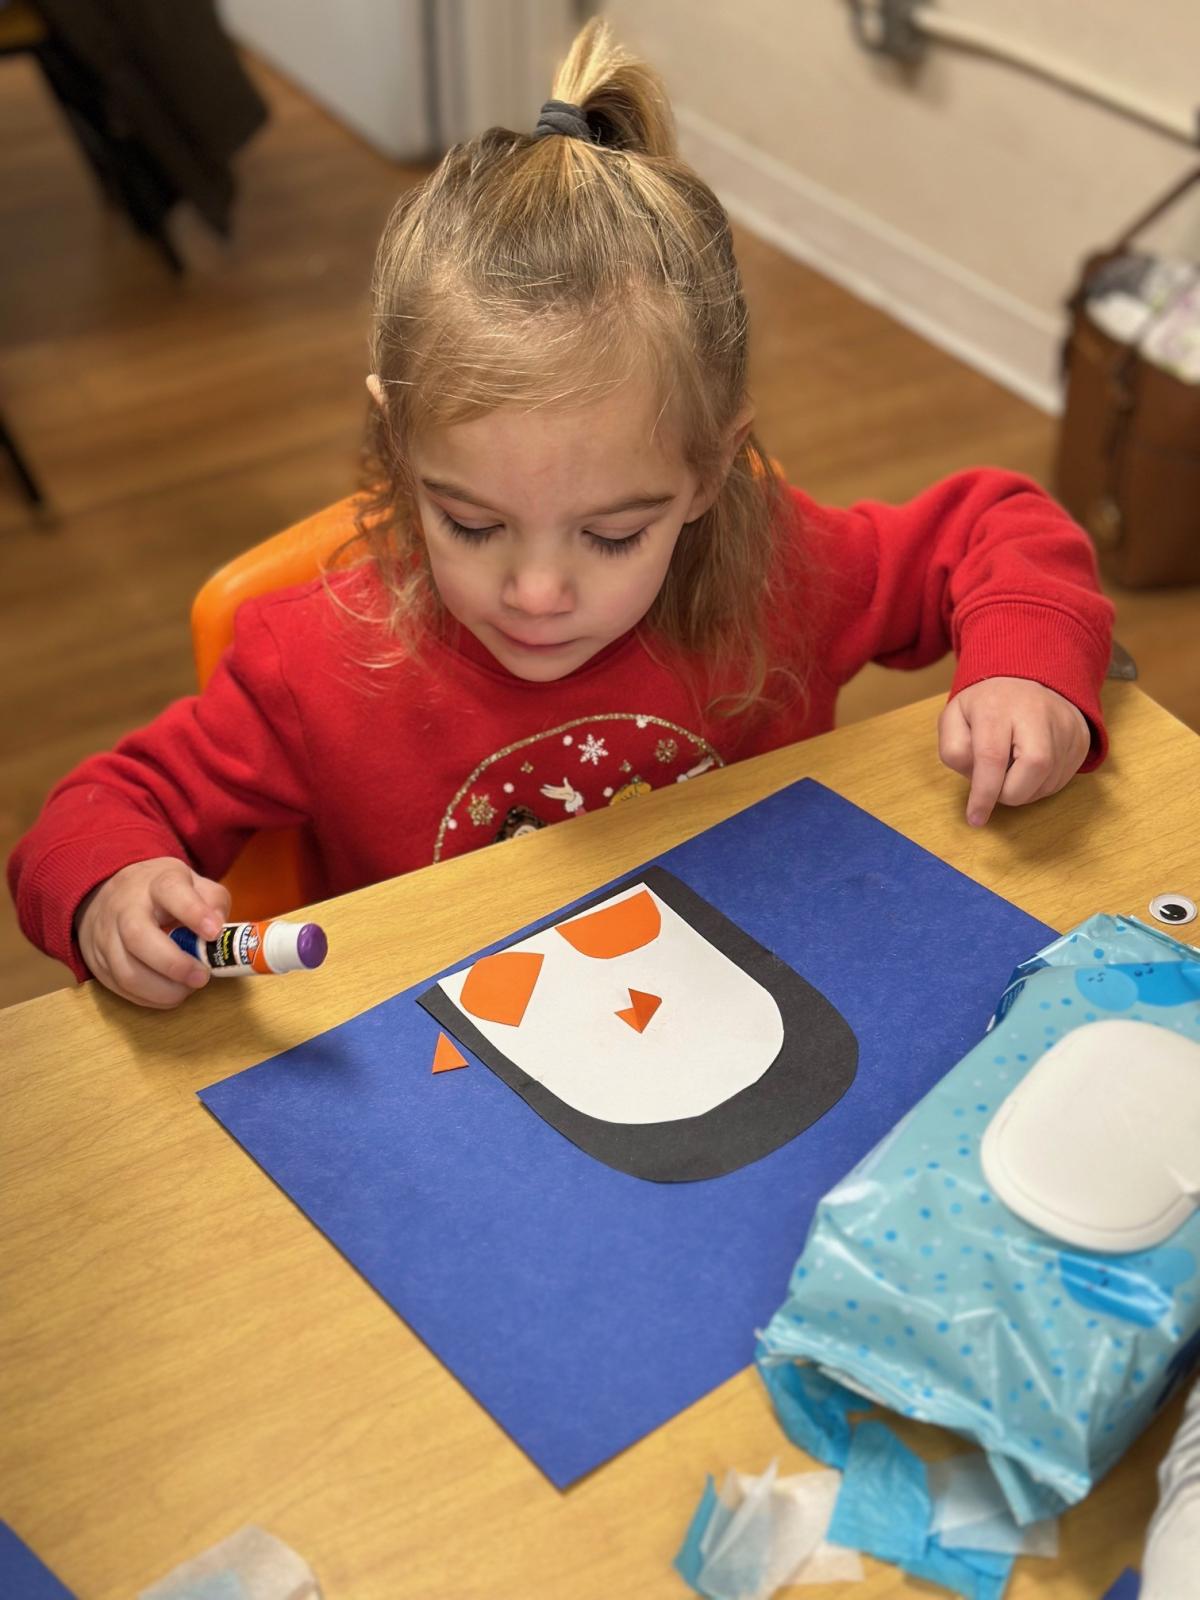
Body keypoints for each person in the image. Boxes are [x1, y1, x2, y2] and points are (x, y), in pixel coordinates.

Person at [7, 20, 1114, 1010]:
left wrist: (1027, 664)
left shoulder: (779, 569)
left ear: (712, 471)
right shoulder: (313, 663)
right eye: (473, 524)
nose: (536, 593)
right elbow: (94, 808)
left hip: (741, 1004)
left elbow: (995, 525)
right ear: (399, 449)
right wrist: (113, 889)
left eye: (613, 533)